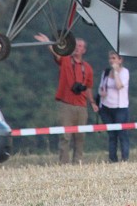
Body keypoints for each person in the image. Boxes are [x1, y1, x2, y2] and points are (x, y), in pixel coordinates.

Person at [34, 32, 97, 164]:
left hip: (81, 105)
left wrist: (92, 102)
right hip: (66, 104)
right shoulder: (66, 60)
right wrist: (48, 42)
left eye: (80, 46)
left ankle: (78, 161)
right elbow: (56, 53)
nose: (77, 48)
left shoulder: (88, 68)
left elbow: (89, 87)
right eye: (75, 45)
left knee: (80, 137)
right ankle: (64, 163)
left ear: (84, 50)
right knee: (65, 136)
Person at [97, 50, 130, 162]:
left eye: (114, 58)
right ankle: (112, 159)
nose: (111, 60)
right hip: (106, 107)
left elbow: (119, 86)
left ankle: (125, 158)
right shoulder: (105, 72)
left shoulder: (124, 72)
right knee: (112, 135)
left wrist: (116, 72)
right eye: (110, 58)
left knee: (122, 134)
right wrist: (102, 93)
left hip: (120, 108)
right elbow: (101, 87)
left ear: (120, 60)